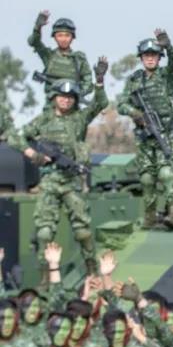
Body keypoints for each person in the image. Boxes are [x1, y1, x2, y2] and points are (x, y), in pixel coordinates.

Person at [15, 58, 109, 275]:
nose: (66, 100)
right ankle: (44, 277)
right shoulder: (43, 119)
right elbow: (19, 136)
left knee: (83, 232)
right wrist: (33, 154)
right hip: (49, 180)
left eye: (70, 97)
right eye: (62, 96)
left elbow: (100, 104)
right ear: (54, 97)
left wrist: (100, 81)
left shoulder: (79, 118)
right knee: (45, 232)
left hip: (71, 181)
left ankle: (92, 273)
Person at [116, 31, 173, 228]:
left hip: (164, 135)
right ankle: (150, 217)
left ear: (159, 58)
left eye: (154, 55)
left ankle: (172, 214)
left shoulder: (167, 77)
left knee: (167, 174)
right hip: (144, 138)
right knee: (146, 178)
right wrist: (136, 113)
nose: (150, 59)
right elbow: (121, 104)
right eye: (147, 56)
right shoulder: (134, 80)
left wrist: (168, 46)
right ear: (142, 58)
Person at [28, 11, 93, 96]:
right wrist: (37, 27)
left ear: (72, 37)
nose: (63, 39)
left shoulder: (79, 58)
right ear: (54, 37)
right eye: (60, 35)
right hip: (52, 104)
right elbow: (34, 42)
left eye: (67, 35)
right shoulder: (49, 56)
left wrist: (77, 94)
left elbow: (88, 82)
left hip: (72, 102)